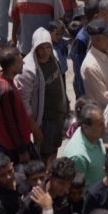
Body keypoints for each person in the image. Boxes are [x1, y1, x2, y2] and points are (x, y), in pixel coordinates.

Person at [17, 29, 68, 162]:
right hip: (44, 120)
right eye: (41, 48)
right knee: (44, 154)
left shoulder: (54, 56)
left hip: (59, 115)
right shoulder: (28, 70)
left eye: (47, 47)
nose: (45, 51)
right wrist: (34, 127)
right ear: (34, 47)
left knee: (55, 148)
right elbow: (24, 102)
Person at [61, 103, 107, 186]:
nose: (105, 126)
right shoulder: (78, 157)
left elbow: (98, 148)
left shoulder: (92, 135)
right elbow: (76, 189)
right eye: (100, 124)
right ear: (86, 127)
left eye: (104, 121)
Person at [80, 22, 108, 109]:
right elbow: (104, 97)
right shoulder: (90, 66)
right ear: (96, 40)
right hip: (106, 113)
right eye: (107, 37)